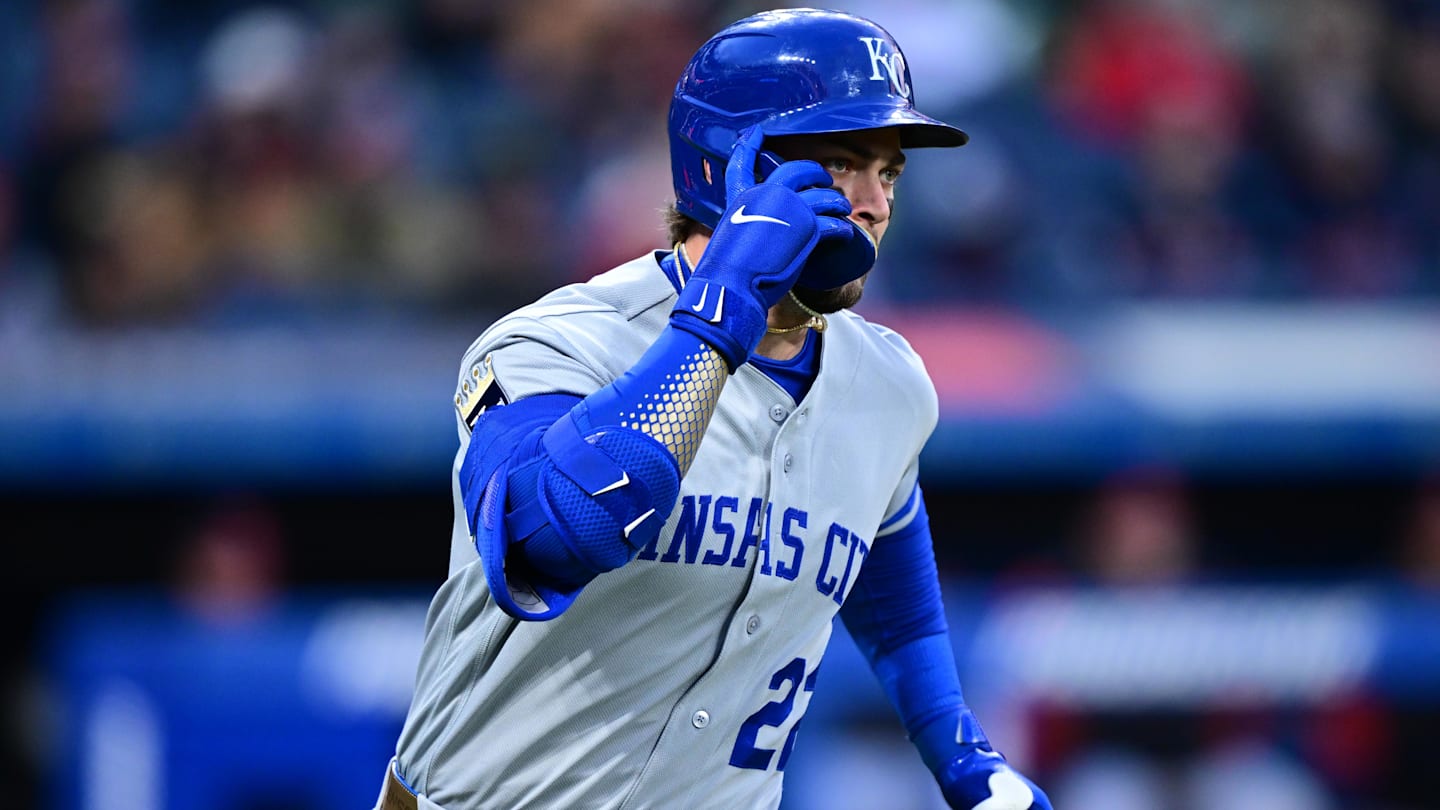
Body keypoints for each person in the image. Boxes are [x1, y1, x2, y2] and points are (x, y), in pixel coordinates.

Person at [377, 9, 1051, 810]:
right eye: (841, 164)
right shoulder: (557, 343)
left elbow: (889, 572)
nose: (875, 203)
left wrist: (959, 750)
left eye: (890, 173)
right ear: (733, 169)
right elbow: (560, 532)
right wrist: (723, 309)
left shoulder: (888, 383)